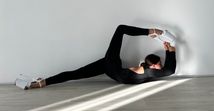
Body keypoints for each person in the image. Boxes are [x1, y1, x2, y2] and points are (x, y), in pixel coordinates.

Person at [29, 24, 176, 88]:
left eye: (159, 65)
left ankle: (151, 31)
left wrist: (172, 49)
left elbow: (170, 70)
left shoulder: (150, 72)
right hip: (111, 67)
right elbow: (169, 69)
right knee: (74, 74)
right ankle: (44, 82)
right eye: (159, 64)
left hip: (110, 66)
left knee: (121, 29)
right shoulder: (148, 70)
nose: (160, 67)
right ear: (151, 65)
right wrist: (169, 49)